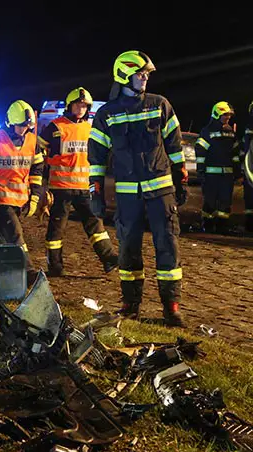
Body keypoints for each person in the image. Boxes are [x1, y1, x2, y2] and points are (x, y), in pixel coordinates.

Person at [88, 50, 188, 327]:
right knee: (128, 250)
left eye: (146, 74)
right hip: (128, 196)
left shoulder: (159, 104)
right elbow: (96, 157)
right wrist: (95, 191)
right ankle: (130, 306)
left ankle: (171, 308)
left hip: (161, 193)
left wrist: (180, 177)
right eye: (140, 73)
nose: (145, 78)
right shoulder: (106, 114)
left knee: (168, 246)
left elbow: (175, 145)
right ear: (124, 76)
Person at [38, 87, 118, 276]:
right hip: (60, 188)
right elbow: (38, 153)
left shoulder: (90, 128)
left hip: (84, 187)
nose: (81, 109)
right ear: (69, 106)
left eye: (84, 106)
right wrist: (42, 182)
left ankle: (109, 258)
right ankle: (55, 266)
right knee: (57, 228)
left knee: (95, 225)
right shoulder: (55, 127)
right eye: (77, 105)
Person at [0, 100, 44, 272]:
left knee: (2, 233)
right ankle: (28, 270)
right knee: (15, 232)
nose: (24, 129)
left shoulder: (33, 141)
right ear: (11, 123)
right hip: (0, 195)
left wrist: (35, 197)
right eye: (21, 125)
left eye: (27, 126)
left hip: (20, 197)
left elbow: (37, 170)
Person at [195, 101, 240, 234]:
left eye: (229, 115)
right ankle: (208, 225)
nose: (228, 118)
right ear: (216, 115)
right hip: (211, 175)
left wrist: (237, 171)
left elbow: (235, 153)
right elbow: (200, 151)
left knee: (225, 202)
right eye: (225, 115)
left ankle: (222, 226)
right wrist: (201, 169)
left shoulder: (231, 132)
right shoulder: (207, 131)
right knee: (210, 201)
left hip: (227, 175)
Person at [241, 101, 253, 233]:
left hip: (249, 169)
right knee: (249, 199)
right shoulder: (249, 128)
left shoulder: (248, 127)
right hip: (249, 168)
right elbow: (244, 150)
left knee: (249, 198)